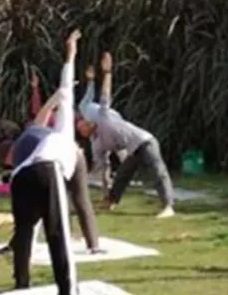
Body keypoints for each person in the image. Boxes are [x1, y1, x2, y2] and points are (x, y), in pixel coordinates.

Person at [6, 30, 89, 295]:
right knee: (59, 236)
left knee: (25, 231)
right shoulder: (65, 137)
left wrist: (70, 56)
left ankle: (21, 284)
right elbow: (67, 93)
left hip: (21, 177)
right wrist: (70, 57)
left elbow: (63, 95)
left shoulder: (39, 135)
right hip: (45, 171)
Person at [11, 68, 103, 254]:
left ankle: (90, 244)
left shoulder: (22, 152)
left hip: (67, 158)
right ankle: (92, 245)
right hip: (65, 154)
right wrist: (58, 95)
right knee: (56, 200)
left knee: (76, 199)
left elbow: (25, 199)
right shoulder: (32, 134)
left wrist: (60, 94)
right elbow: (45, 110)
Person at [75, 52, 176, 218]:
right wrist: (101, 189)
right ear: (84, 134)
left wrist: (107, 73)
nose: (85, 123)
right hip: (133, 150)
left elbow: (105, 96)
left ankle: (168, 206)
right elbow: (103, 169)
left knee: (158, 171)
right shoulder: (96, 145)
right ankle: (111, 201)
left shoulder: (104, 118)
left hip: (145, 141)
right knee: (122, 174)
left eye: (84, 122)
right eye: (81, 127)